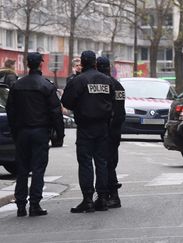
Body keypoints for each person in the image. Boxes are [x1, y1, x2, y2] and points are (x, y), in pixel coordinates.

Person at [6, 52, 64, 217]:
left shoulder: (17, 86)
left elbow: (11, 110)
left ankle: (20, 205)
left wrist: (14, 130)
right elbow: (55, 112)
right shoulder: (46, 86)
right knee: (38, 169)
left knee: (22, 169)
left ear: (27, 65)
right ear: (41, 64)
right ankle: (35, 204)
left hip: (22, 132)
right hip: (40, 132)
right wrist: (59, 134)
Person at [62, 50, 115, 213]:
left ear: (83, 63)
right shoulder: (107, 80)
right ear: (95, 63)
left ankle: (87, 200)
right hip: (103, 126)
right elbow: (113, 101)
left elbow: (67, 102)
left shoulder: (78, 80)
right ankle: (103, 199)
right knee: (101, 162)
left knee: (85, 162)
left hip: (85, 126)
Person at [96, 56, 125, 208]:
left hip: (104, 129)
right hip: (115, 130)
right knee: (111, 162)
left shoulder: (101, 85)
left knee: (104, 163)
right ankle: (110, 194)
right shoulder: (118, 85)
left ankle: (111, 195)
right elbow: (121, 111)